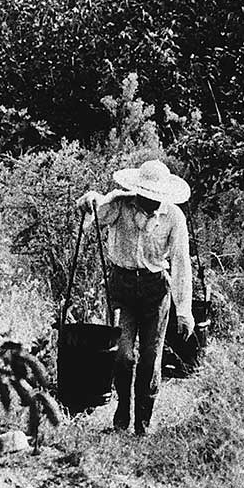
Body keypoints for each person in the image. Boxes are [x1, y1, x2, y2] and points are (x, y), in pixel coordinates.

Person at [76, 159, 193, 436]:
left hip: (155, 291)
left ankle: (143, 423)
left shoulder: (174, 217)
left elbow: (180, 263)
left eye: (154, 196)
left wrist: (183, 310)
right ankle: (122, 414)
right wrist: (91, 201)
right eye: (144, 193)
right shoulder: (119, 204)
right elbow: (94, 214)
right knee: (123, 355)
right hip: (123, 288)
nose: (148, 200)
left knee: (151, 358)